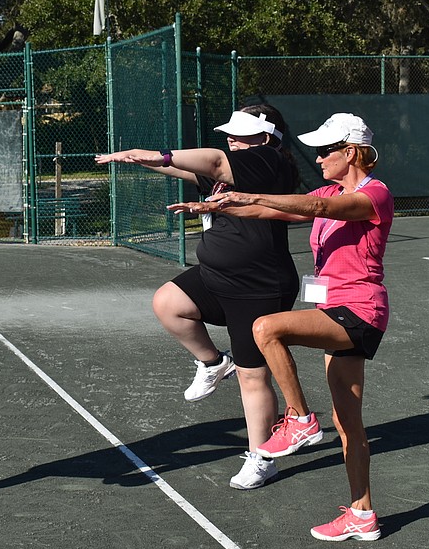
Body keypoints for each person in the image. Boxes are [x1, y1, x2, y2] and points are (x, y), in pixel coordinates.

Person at [168, 113, 392, 542]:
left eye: (327, 150)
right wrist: (221, 203)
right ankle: (362, 513)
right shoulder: (330, 188)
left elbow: (316, 207)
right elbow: (278, 210)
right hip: (334, 306)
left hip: (360, 310)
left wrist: (248, 193)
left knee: (266, 328)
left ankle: (299, 419)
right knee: (348, 424)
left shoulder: (373, 195)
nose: (319, 156)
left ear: (351, 152)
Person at [95, 104, 301, 490]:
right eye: (231, 134)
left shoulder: (268, 162)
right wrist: (139, 158)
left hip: (257, 286)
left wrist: (160, 155)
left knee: (253, 377)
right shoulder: (232, 167)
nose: (231, 139)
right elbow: (186, 168)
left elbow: (214, 160)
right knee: (168, 303)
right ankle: (212, 362)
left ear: (266, 137)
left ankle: (262, 457)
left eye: (239, 134)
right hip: (216, 276)